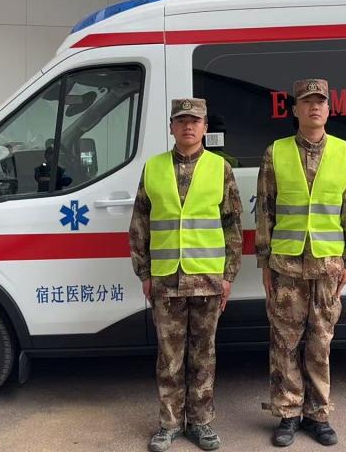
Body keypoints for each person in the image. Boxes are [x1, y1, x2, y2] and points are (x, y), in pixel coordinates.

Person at [130, 98, 243, 452]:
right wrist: (144, 272)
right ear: (171, 128)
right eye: (181, 121)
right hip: (166, 279)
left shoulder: (220, 168)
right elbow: (139, 224)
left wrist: (228, 275)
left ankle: (201, 423)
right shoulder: (153, 168)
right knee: (169, 356)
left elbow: (233, 225)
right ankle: (169, 424)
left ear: (205, 127)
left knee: (203, 355)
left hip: (207, 279)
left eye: (195, 121)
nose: (188, 126)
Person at [255, 79, 346, 447]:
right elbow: (265, 209)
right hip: (286, 263)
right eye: (306, 101)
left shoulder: (344, 151)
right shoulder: (276, 152)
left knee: (321, 341)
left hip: (328, 264)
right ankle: (288, 414)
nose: (314, 107)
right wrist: (264, 262)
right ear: (295, 109)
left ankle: (318, 416)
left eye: (320, 101)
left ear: (329, 109)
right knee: (284, 341)